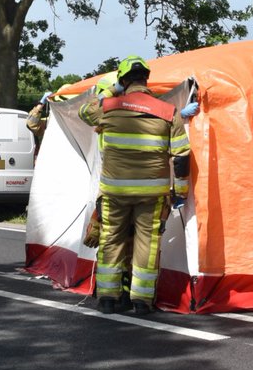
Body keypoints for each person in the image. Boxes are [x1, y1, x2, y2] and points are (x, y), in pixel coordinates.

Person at [79, 55, 191, 315]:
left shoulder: (108, 107)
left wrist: (109, 91)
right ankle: (142, 301)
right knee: (148, 244)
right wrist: (181, 192)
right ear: (146, 80)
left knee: (111, 240)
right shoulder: (167, 112)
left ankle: (108, 299)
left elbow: (85, 112)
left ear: (123, 81)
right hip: (152, 194)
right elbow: (182, 156)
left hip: (115, 192)